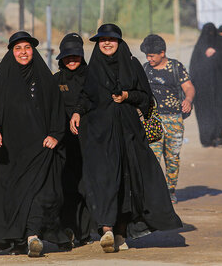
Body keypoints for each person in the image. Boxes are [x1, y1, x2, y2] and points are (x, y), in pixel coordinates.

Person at [70, 24, 182, 253]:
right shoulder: (93, 69)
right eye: (102, 40)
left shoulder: (131, 65)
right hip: (100, 137)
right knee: (104, 180)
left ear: (119, 42)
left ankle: (121, 232)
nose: (107, 43)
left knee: (128, 182)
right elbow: (85, 97)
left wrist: (127, 95)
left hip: (129, 135)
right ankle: (107, 230)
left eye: (111, 39)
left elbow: (146, 97)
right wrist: (77, 112)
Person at [0, 31, 69, 257]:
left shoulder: (45, 78)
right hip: (10, 150)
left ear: (33, 50)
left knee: (40, 192)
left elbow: (57, 110)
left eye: (27, 48)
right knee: (12, 195)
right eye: (18, 48)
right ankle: (19, 239)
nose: (23, 52)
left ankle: (33, 235)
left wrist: (55, 134)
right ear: (12, 52)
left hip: (41, 147)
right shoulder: (2, 78)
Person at [139, 34, 195, 204]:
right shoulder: (145, 69)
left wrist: (188, 100)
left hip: (174, 119)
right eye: (147, 56)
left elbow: (189, 87)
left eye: (152, 56)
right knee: (152, 157)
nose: (149, 59)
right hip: (152, 119)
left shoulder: (176, 67)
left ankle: (170, 190)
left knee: (172, 157)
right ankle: (153, 192)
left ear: (162, 53)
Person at [53, 33, 93, 246]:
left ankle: (85, 233)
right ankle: (67, 230)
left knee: (87, 187)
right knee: (67, 187)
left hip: (89, 143)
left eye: (75, 56)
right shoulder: (55, 80)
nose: (71, 60)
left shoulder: (92, 77)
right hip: (63, 145)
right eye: (67, 57)